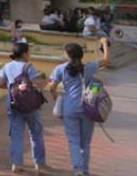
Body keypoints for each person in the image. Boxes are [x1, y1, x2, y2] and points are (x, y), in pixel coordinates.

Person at [50, 37, 111, 176]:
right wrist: (104, 44)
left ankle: (77, 170)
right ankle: (85, 170)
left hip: (69, 108)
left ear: (67, 54)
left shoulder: (60, 69)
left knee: (73, 141)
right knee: (86, 142)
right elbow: (107, 61)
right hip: (88, 108)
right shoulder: (89, 67)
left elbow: (52, 88)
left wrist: (56, 99)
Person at [0, 41, 47, 174]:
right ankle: (39, 164)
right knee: (35, 133)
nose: (29, 55)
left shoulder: (7, 66)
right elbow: (37, 84)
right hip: (31, 105)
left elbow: (1, 84)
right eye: (29, 52)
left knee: (16, 134)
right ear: (24, 54)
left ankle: (17, 164)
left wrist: (12, 87)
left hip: (13, 104)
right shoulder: (29, 67)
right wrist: (45, 82)